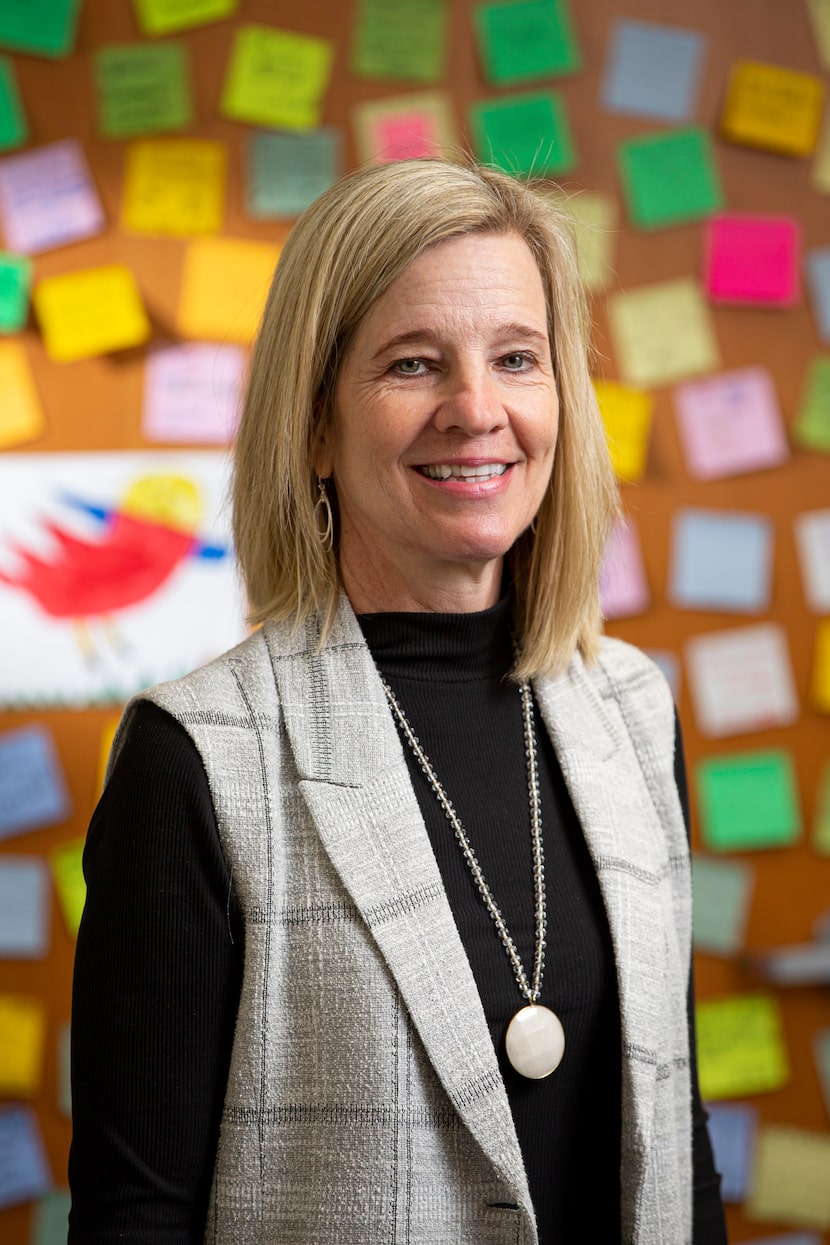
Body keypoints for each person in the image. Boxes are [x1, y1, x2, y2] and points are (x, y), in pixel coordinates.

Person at [69, 158, 727, 1244]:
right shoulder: (196, 758)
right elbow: (136, 1216)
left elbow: (671, 1135)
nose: (476, 411)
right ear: (315, 428)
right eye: (412, 365)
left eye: (516, 359)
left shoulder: (631, 710)